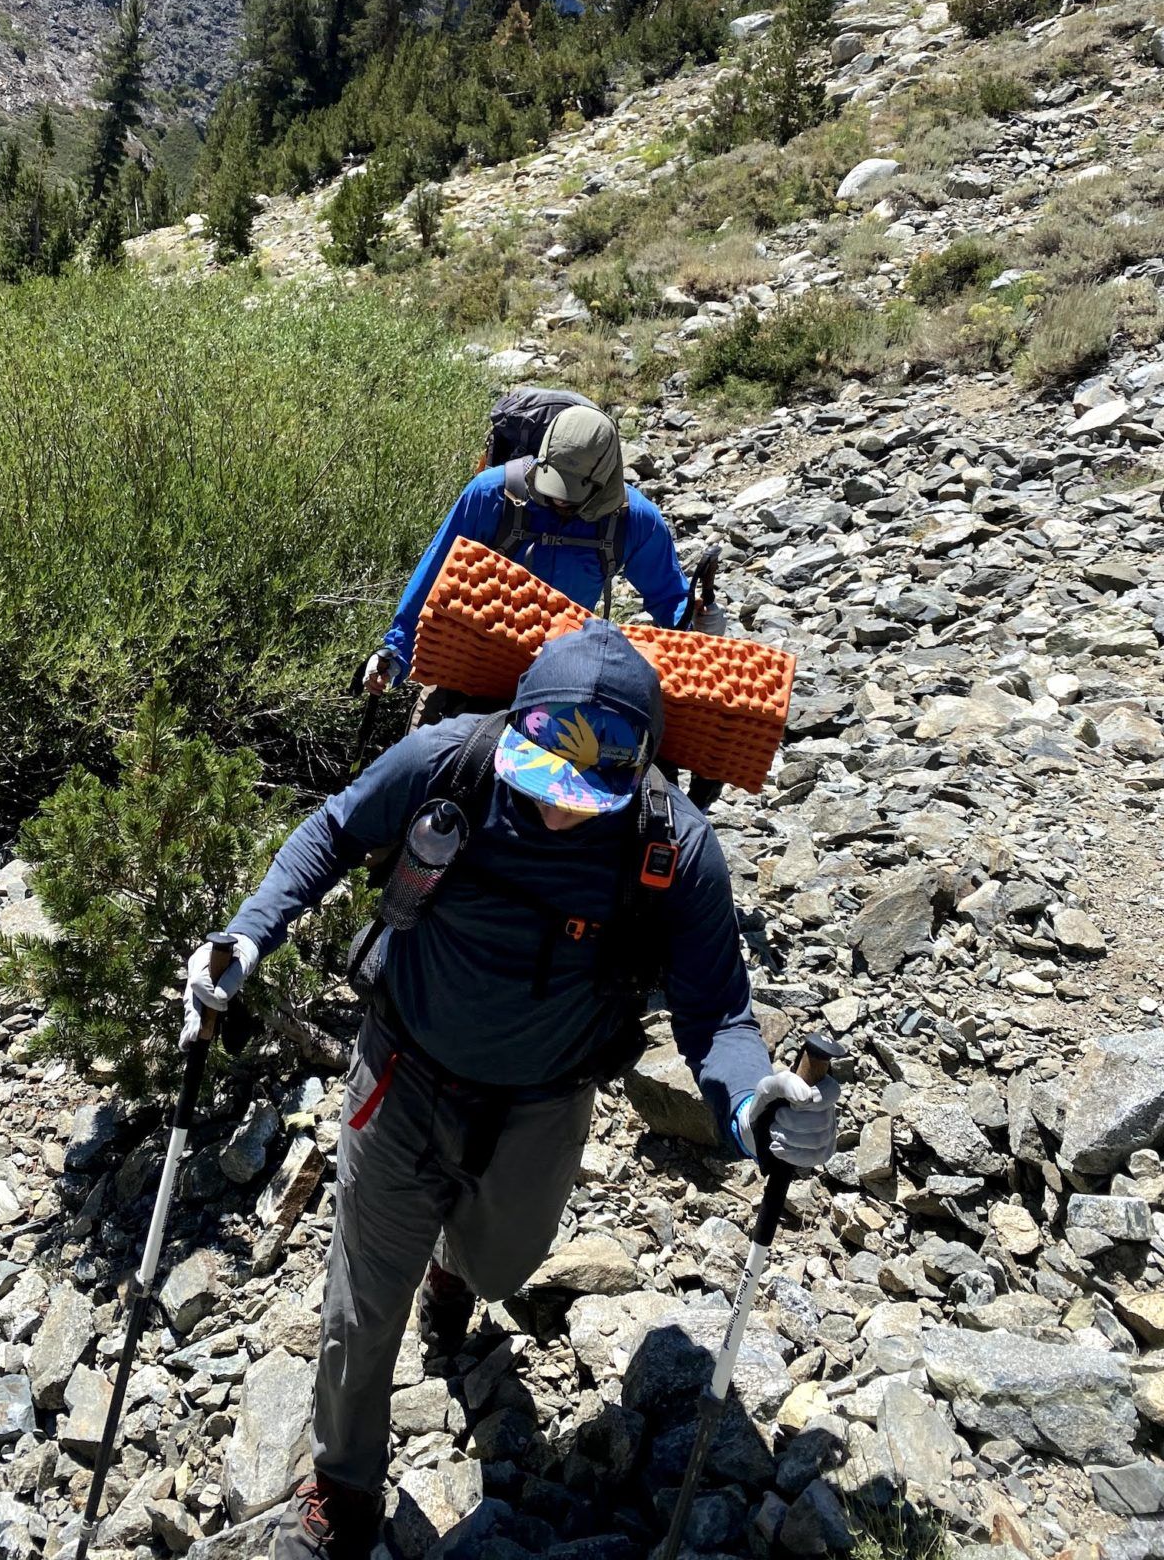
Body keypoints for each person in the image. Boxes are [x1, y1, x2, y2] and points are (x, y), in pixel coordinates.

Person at [180, 621, 839, 1560]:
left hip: (546, 1101)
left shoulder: (675, 849)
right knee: (363, 1304)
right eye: (545, 783)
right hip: (400, 1073)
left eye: (587, 796)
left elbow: (718, 1016)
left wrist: (752, 1108)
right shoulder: (446, 764)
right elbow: (331, 832)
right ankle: (342, 1492)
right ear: (516, 730)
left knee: (502, 1269)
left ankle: (456, 1270)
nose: (562, 812)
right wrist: (248, 935)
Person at [361, 405, 690, 700]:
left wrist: (698, 624)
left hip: (561, 681)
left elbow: (670, 600)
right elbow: (432, 579)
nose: (559, 500)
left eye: (571, 494)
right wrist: (395, 652)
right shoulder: (491, 494)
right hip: (470, 670)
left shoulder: (634, 520)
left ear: (604, 479)